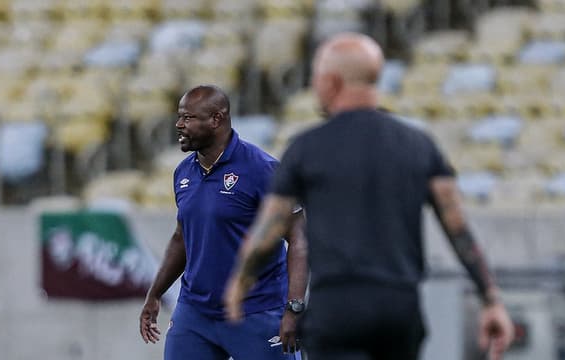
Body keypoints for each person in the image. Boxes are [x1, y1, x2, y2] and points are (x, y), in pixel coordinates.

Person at [224, 33, 514, 360]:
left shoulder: (307, 148)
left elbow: (270, 228)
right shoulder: (418, 144)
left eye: (317, 78)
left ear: (332, 82)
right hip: (399, 308)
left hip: (337, 306)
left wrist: (240, 280)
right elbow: (458, 228)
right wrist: (491, 299)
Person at [139, 85, 308, 359]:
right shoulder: (183, 172)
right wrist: (156, 293)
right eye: (179, 116)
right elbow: (182, 237)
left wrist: (294, 306)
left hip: (257, 310)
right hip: (195, 314)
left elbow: (299, 237)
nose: (179, 125)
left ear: (216, 119)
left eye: (188, 118)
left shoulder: (262, 169)